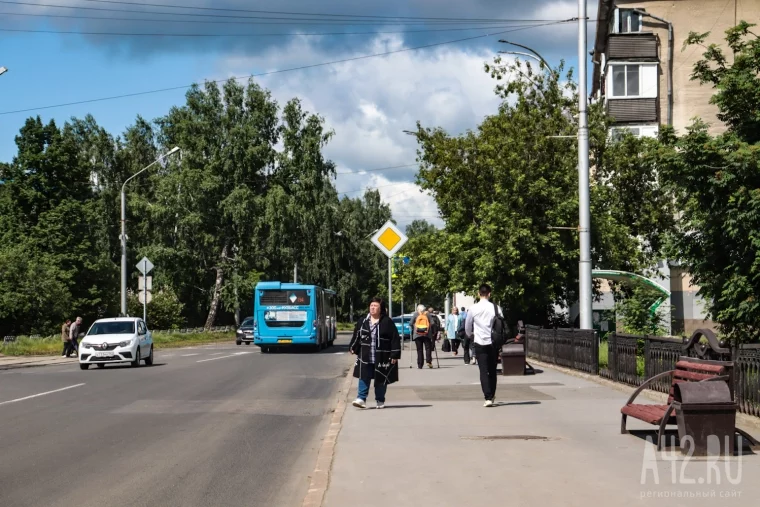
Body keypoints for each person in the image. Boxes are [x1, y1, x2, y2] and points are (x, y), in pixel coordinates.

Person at [349, 297, 401, 409]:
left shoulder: (387, 322)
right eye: (371, 305)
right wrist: (352, 347)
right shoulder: (363, 321)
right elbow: (356, 336)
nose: (372, 308)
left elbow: (395, 338)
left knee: (381, 378)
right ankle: (361, 398)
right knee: (363, 376)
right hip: (365, 355)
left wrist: (395, 354)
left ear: (381, 308)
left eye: (375, 306)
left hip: (382, 355)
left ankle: (380, 400)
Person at [465, 284, 504, 407]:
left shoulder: (473, 308)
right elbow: (501, 325)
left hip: (479, 341)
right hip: (493, 342)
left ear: (478, 294)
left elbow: (467, 325)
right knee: (492, 370)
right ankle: (492, 395)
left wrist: (470, 335)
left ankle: (487, 397)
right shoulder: (496, 308)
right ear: (489, 294)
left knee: (483, 370)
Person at [411, 304, 434, 369]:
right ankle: (428, 361)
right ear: (424, 309)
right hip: (426, 334)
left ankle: (420, 364)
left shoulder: (415, 314)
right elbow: (432, 323)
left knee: (419, 350)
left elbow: (410, 323)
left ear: (418, 309)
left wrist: (413, 326)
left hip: (417, 335)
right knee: (428, 348)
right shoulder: (428, 314)